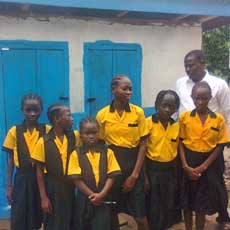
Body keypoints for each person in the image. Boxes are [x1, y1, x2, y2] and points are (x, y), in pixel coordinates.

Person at [176, 49, 230, 224]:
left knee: (215, 183)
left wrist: (226, 140)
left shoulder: (219, 84)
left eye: (191, 65)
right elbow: (177, 110)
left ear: (202, 63)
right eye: (185, 66)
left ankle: (222, 213)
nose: (188, 69)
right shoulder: (180, 83)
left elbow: (227, 112)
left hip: (211, 141)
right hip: (187, 140)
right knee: (189, 187)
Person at [96, 74, 149, 230]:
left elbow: (143, 145)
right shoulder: (103, 114)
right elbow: (99, 144)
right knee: (112, 210)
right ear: (114, 89)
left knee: (140, 213)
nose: (129, 92)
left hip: (134, 165)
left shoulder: (138, 112)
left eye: (130, 89)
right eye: (125, 88)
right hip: (113, 166)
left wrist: (134, 176)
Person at [2, 93, 49, 230]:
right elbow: (10, 159)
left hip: (43, 179)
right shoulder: (14, 131)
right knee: (20, 214)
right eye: (28, 110)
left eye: (36, 109)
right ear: (22, 110)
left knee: (41, 213)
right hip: (22, 179)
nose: (32, 113)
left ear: (41, 110)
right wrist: (9, 186)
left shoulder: (47, 130)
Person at [68, 117, 121, 230]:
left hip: (104, 198)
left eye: (94, 133)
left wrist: (101, 194)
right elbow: (76, 179)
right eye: (87, 133)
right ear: (81, 135)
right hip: (85, 200)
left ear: (99, 133)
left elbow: (112, 176)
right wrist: (92, 195)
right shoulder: (76, 154)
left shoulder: (108, 152)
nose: (91, 136)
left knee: (105, 225)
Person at [31, 104, 79, 230]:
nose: (72, 118)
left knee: (72, 219)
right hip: (53, 188)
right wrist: (43, 198)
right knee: (55, 221)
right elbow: (39, 172)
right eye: (68, 115)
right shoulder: (44, 142)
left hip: (71, 187)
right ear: (57, 119)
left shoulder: (75, 136)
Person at [145, 90, 181, 230]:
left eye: (172, 107)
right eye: (164, 105)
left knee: (168, 202)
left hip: (170, 171)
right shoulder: (148, 123)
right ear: (157, 105)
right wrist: (145, 177)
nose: (167, 109)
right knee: (153, 204)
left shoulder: (176, 126)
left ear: (176, 109)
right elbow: (141, 152)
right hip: (152, 169)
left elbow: (177, 151)